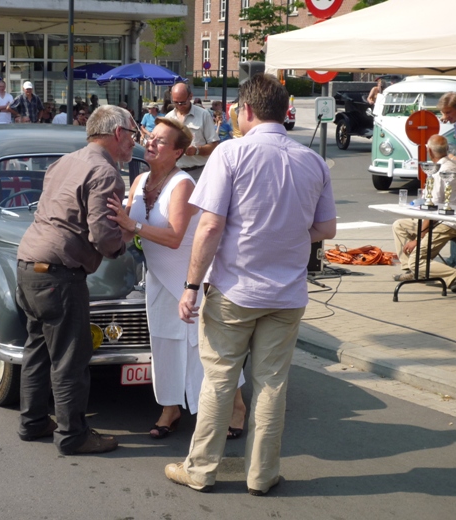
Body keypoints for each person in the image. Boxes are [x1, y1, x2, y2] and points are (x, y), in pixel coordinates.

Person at [164, 74, 336, 495]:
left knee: (220, 379)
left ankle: (201, 469)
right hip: (288, 293)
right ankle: (261, 474)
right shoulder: (311, 160)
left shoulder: (231, 153)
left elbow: (209, 226)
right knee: (272, 384)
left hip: (235, 290)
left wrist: (190, 285)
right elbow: (326, 228)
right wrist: (287, 232)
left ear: (246, 110)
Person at [15, 105, 137, 455]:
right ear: (117, 134)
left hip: (28, 263)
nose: (133, 142)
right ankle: (72, 435)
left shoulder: (65, 162)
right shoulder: (105, 172)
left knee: (37, 348)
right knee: (70, 357)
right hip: (59, 273)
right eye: (132, 134)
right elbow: (102, 233)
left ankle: (34, 421)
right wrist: (124, 242)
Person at [106, 117, 206, 438]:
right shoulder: (139, 181)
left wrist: (131, 226)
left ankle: (231, 408)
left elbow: (174, 236)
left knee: (197, 347)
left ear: (177, 153)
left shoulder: (183, 184)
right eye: (151, 137)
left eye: (161, 141)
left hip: (187, 278)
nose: (150, 143)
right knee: (163, 342)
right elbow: (124, 232)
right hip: (158, 276)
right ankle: (170, 408)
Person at [392, 134, 456, 286]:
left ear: (430, 151)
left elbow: (432, 211)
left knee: (417, 262)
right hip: (440, 218)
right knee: (399, 225)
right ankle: (411, 271)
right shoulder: (449, 165)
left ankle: (450, 275)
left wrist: (419, 238)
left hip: (446, 222)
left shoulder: (442, 171)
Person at [164, 82, 219, 179]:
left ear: (190, 97)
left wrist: (197, 150)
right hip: (174, 172)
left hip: (198, 172)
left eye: (182, 102)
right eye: (176, 102)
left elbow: (214, 145)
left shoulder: (203, 115)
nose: (179, 105)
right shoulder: (168, 118)